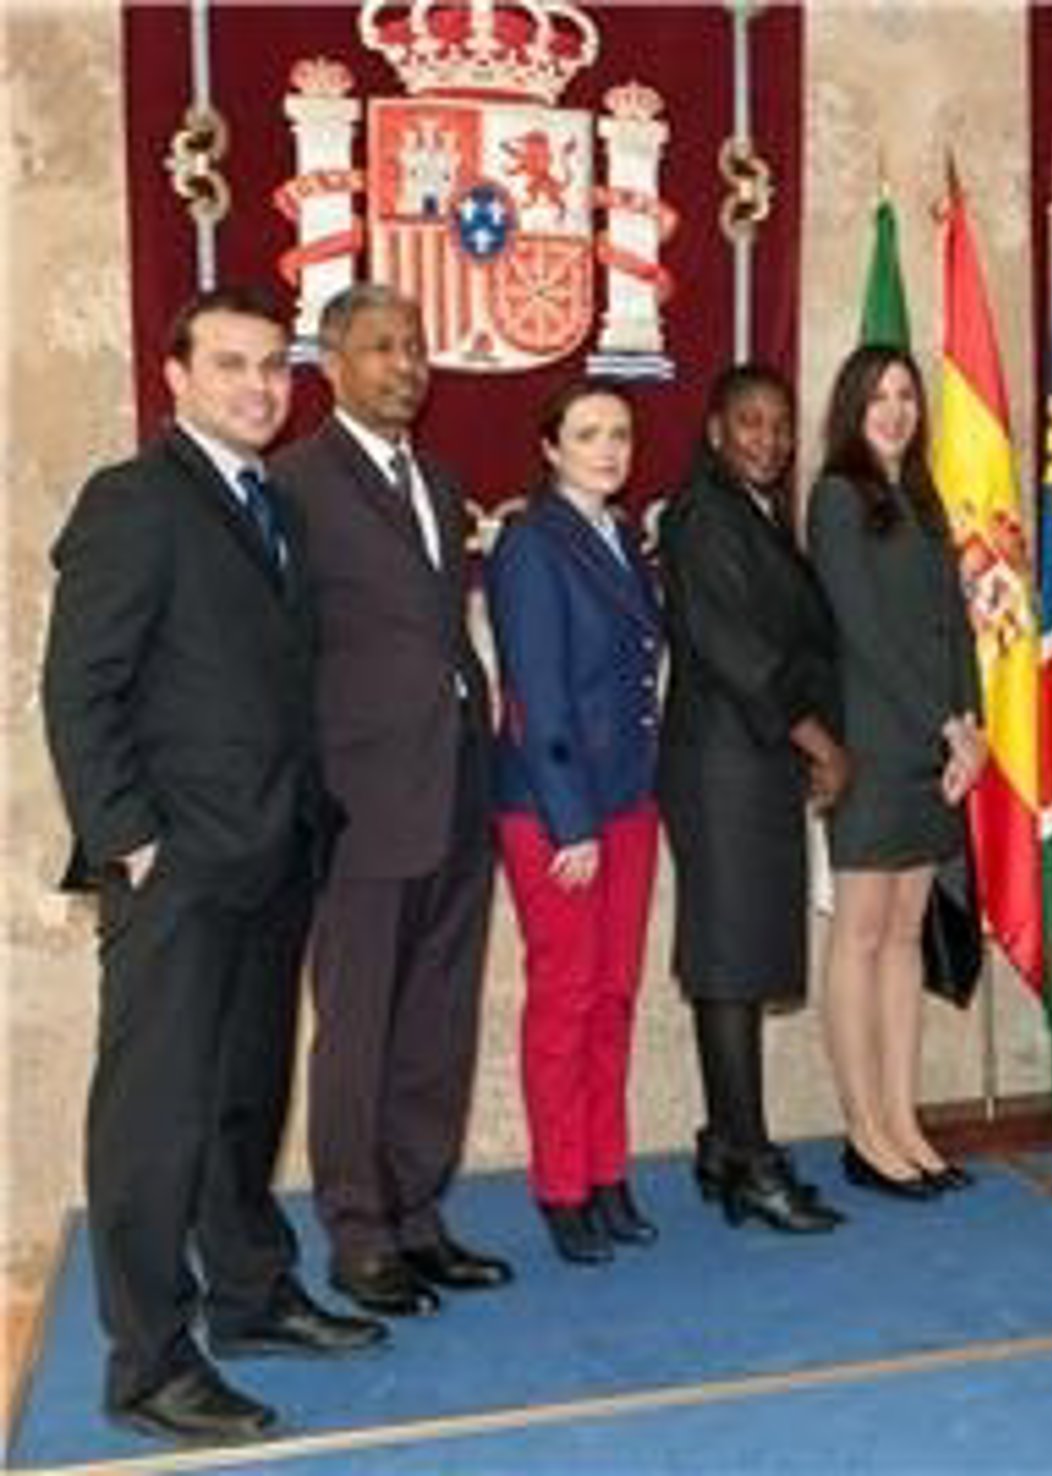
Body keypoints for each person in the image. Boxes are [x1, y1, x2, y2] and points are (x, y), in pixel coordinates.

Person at [41, 287, 384, 1444]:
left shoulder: (271, 503)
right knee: (157, 1120)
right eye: (230, 364)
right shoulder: (135, 499)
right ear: (176, 377)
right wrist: (130, 840)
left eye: (273, 366)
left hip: (274, 853)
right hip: (178, 869)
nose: (257, 386)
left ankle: (251, 1296)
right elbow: (78, 686)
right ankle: (148, 1363)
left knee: (245, 1099)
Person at [273, 284, 510, 1315]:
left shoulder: (441, 481)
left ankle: (417, 1217)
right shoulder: (295, 483)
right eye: (381, 347)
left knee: (437, 1018)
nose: (406, 364)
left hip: (456, 785)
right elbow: (284, 651)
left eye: (415, 346)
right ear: (331, 364)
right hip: (360, 801)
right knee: (360, 1023)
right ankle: (358, 1233)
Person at [658, 364, 848, 1234]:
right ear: (715, 431)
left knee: (738, 959)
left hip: (750, 764)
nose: (767, 439)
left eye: (779, 424)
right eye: (749, 422)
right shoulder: (703, 515)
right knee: (730, 965)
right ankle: (752, 1161)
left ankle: (724, 1145)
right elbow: (734, 650)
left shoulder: (755, 512)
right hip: (720, 767)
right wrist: (819, 742)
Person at [488, 381, 666, 1264]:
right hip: (557, 812)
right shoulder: (531, 543)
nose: (608, 450)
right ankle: (562, 1187)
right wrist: (571, 824)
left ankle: (607, 1172)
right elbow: (537, 692)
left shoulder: (622, 536)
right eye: (588, 435)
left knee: (614, 997)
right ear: (551, 449)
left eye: (620, 434)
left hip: (628, 799)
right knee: (565, 1000)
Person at [804, 345, 986, 1199]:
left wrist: (972, 727)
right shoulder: (838, 497)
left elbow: (954, 625)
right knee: (862, 933)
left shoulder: (921, 496)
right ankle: (865, 1131)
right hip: (875, 746)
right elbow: (864, 634)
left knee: (908, 937)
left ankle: (905, 1121)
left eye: (907, 395)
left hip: (936, 749)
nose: (895, 410)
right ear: (852, 407)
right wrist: (943, 725)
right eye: (878, 397)